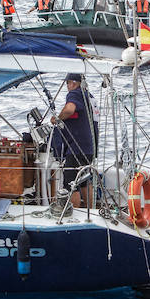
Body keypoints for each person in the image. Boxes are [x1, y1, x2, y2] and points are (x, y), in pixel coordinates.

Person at [50, 73, 97, 209]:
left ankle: (74, 214)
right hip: (90, 147)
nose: (67, 86)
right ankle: (91, 211)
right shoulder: (88, 96)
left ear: (73, 83)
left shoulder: (75, 94)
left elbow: (70, 109)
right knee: (84, 181)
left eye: (67, 83)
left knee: (71, 184)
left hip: (77, 148)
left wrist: (57, 119)